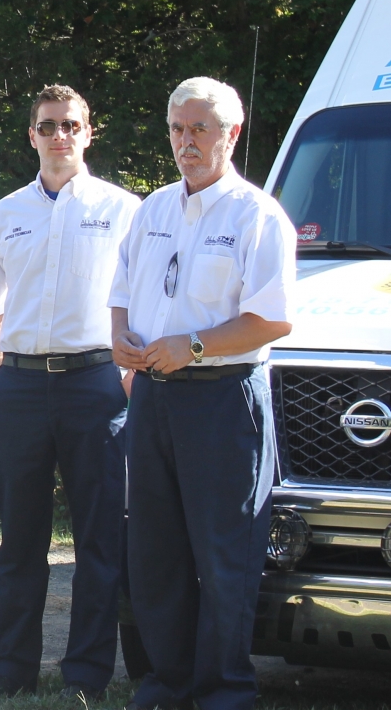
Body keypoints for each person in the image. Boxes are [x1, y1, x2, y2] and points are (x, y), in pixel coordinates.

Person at [110, 77, 295, 710]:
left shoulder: (258, 215)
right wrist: (120, 344)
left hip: (222, 399)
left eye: (200, 130)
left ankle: (224, 692)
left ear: (232, 134)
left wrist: (189, 347)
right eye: (177, 130)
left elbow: (271, 319)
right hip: (153, 398)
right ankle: (168, 683)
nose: (186, 143)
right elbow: (121, 294)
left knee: (224, 555)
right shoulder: (154, 208)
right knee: (155, 550)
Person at [0, 86, 140, 702]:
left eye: (70, 125)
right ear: (31, 136)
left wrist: (129, 377)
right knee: (21, 539)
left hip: (96, 384)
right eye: (47, 126)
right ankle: (11, 668)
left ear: (89, 134)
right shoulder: (6, 213)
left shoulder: (125, 211)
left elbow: (149, 302)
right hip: (19, 387)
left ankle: (86, 674)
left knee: (98, 540)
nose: (59, 135)